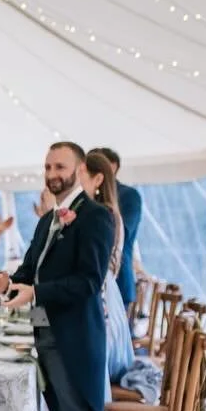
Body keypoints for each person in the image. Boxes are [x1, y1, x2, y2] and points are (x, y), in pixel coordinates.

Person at [0, 142, 113, 411]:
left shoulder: (96, 217)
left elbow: (88, 283)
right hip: (44, 332)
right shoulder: (48, 219)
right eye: (47, 166)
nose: (51, 172)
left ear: (79, 169)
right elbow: (30, 269)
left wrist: (37, 293)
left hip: (74, 337)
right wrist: (9, 282)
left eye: (59, 165)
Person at [82, 153, 134, 383]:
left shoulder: (103, 215)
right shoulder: (106, 211)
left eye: (80, 175)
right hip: (105, 296)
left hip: (102, 302)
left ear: (97, 180)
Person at [89, 147, 142, 311]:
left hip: (117, 281)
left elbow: (120, 234)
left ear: (112, 166)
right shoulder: (88, 198)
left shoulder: (129, 195)